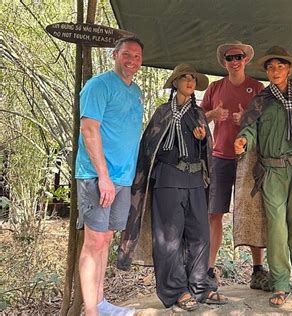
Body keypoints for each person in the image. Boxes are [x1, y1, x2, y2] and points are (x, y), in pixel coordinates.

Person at [118, 64, 228, 311]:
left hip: (195, 180)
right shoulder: (163, 112)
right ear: (175, 83)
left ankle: (200, 287)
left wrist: (201, 141)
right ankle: (176, 290)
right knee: (169, 238)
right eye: (184, 78)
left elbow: (206, 152)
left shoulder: (199, 114)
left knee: (200, 234)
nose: (189, 82)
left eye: (192, 78)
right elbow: (150, 148)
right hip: (168, 179)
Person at [234, 46, 292, 307]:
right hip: (272, 170)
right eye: (271, 67)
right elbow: (250, 129)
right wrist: (242, 140)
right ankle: (280, 282)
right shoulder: (260, 101)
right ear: (266, 71)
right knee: (276, 228)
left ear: (289, 70)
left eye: (280, 66)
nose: (275, 71)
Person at [75, 36, 144, 316]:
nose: (132, 61)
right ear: (115, 55)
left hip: (122, 178)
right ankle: (90, 311)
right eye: (127, 54)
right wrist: (103, 176)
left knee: (105, 239)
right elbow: (89, 130)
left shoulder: (136, 90)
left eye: (138, 56)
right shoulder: (98, 86)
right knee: (93, 241)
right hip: (96, 176)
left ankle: (101, 303)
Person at [200, 41, 268, 290]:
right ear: (224, 62)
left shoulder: (257, 87)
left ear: (246, 59)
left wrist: (247, 118)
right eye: (230, 58)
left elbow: (267, 123)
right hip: (220, 157)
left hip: (248, 158)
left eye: (239, 56)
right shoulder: (215, 87)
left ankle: (258, 270)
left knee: (252, 212)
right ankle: (208, 269)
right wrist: (212, 116)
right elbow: (196, 119)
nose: (235, 61)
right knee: (214, 213)